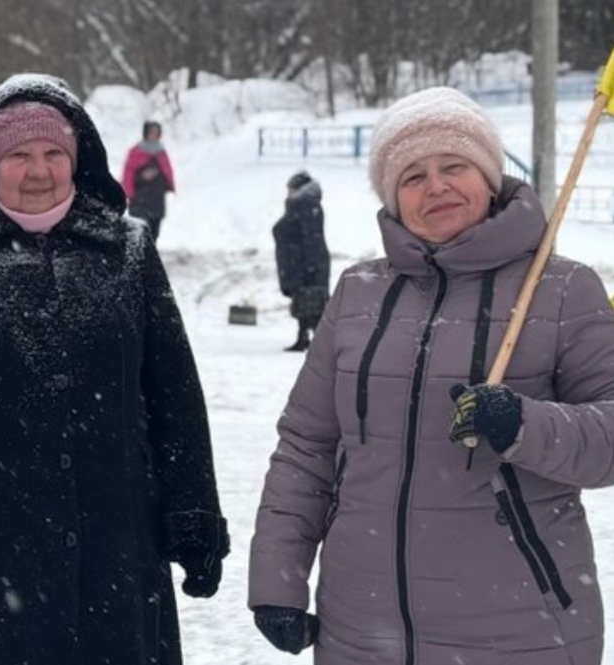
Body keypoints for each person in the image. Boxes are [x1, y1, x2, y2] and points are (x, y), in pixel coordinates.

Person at [248, 86, 614, 665]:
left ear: (490, 177)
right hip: (360, 628)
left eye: (454, 166)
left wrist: (523, 423)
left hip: (519, 629)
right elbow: (307, 446)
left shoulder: (564, 290)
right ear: (393, 198)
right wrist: (277, 579)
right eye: (412, 176)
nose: (436, 186)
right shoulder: (358, 292)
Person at [0, 73, 228, 665]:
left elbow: (173, 392)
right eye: (18, 155)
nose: (39, 171)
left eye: (53, 153)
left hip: (119, 536)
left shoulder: (128, 247)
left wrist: (191, 506)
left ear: (76, 160)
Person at [272, 170, 330, 351]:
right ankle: (304, 337)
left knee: (311, 302)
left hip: (306, 263)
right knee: (303, 302)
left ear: (298, 188)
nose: (287, 192)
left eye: (290, 188)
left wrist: (311, 266)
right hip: (299, 262)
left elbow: (312, 238)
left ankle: (321, 344)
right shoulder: (300, 205)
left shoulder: (306, 205)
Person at [121, 120, 175, 241]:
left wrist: (164, 181)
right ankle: (140, 259)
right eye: (152, 132)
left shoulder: (161, 152)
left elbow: (167, 172)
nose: (154, 135)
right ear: (145, 133)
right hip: (140, 199)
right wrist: (142, 177)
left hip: (157, 200)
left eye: (157, 132)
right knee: (140, 234)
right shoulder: (135, 152)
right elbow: (128, 174)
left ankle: (151, 257)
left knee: (154, 233)